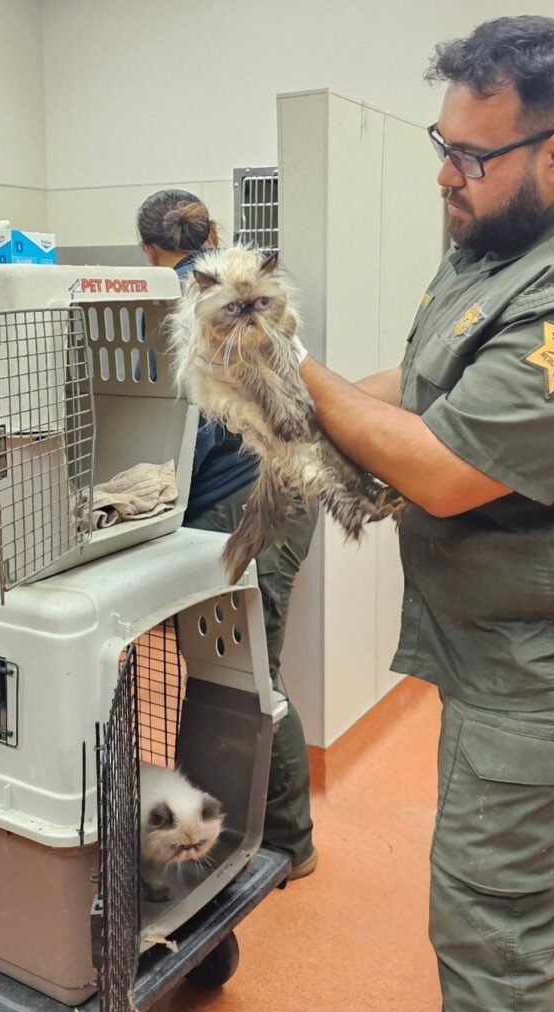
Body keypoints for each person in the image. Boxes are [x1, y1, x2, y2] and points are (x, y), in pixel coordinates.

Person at [289, 17, 554, 1012]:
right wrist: (313, 391)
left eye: (470, 156)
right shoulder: (499, 244)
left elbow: (447, 468)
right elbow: (423, 382)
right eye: (444, 147)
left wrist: (289, 365)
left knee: (487, 918)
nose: (445, 176)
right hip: (509, 634)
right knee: (547, 889)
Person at [137, 189, 319, 880]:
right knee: (238, 675)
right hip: (275, 490)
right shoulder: (257, 288)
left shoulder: (172, 303)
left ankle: (288, 844)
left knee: (248, 679)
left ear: (151, 251)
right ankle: (238, 832)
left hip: (244, 504)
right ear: (214, 231)